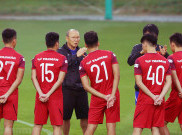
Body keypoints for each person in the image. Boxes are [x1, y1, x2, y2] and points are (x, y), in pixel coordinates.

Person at [79, 31, 120, 135]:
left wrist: (104, 96)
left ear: (85, 45)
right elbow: (117, 75)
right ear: (98, 43)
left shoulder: (83, 62)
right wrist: (111, 95)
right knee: (111, 126)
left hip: (97, 98)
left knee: (91, 127)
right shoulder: (110, 54)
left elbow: (86, 87)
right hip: (112, 95)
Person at [133, 34, 171, 135]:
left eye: (142, 44)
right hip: (160, 100)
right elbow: (169, 81)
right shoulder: (165, 61)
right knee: (155, 128)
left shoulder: (139, 60)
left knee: (138, 127)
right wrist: (160, 97)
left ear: (145, 44)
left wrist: (153, 97)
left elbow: (139, 82)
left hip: (145, 99)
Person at [31, 32, 68, 135]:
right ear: (57, 43)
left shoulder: (36, 57)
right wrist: (49, 94)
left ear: (46, 43)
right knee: (57, 126)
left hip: (40, 96)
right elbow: (60, 80)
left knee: (37, 125)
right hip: (55, 97)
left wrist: (41, 93)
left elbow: (33, 77)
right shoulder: (62, 59)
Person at [127, 24, 169, 104]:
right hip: (141, 90)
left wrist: (165, 55)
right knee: (141, 115)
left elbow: (170, 65)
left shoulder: (160, 48)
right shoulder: (138, 47)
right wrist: (141, 52)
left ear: (156, 36)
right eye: (146, 35)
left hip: (158, 90)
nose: (148, 38)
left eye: (151, 35)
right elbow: (130, 62)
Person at [57, 29, 88, 135]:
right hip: (66, 89)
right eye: (73, 37)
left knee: (85, 117)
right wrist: (77, 56)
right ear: (67, 38)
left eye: (78, 37)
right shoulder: (60, 51)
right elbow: (62, 65)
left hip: (81, 89)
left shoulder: (82, 52)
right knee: (65, 118)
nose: (76, 40)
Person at [0, 28, 25, 135]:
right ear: (14, 40)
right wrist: (7, 94)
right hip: (11, 92)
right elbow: (19, 79)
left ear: (3, 40)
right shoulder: (20, 58)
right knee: (8, 126)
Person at [160, 33, 182, 135]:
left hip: (177, 95)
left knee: (160, 122)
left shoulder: (171, 59)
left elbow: (172, 76)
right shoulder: (171, 58)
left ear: (173, 44)